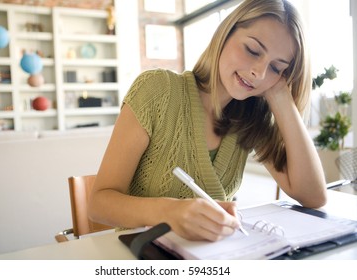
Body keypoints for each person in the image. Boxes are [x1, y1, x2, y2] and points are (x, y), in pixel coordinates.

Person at [88, 0, 327, 242]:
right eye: (253, 51)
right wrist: (168, 212)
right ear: (225, 33)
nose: (260, 72)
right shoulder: (157, 90)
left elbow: (314, 196)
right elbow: (98, 204)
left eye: (276, 68)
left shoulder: (252, 117)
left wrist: (280, 97)